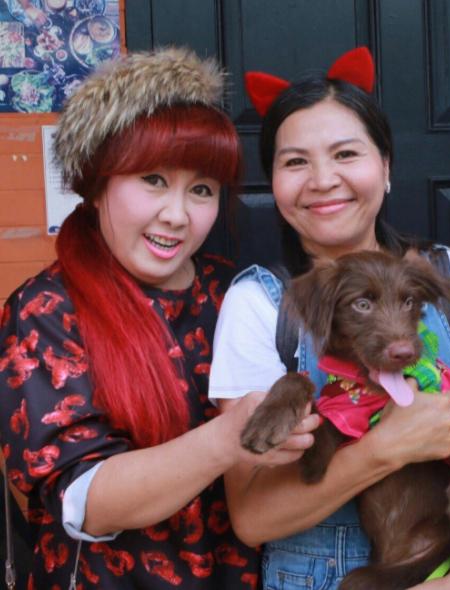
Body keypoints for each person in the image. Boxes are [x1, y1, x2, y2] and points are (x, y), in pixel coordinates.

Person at [0, 46, 318, 589]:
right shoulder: (44, 311)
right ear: (96, 184)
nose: (176, 214)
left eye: (201, 190)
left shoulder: (237, 293)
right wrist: (229, 437)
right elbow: (83, 501)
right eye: (152, 179)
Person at [208, 47, 450, 590]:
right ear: (274, 184)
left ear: (386, 167)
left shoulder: (444, 275)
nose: (322, 179)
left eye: (346, 154)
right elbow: (254, 518)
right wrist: (381, 450)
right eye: (295, 162)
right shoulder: (259, 304)